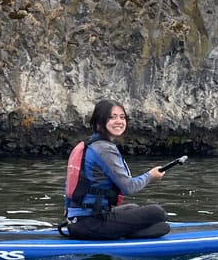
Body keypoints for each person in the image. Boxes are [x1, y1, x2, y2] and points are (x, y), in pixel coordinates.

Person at [62, 99, 171, 240]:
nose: (119, 121)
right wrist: (150, 175)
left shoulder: (87, 144)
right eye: (112, 117)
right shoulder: (104, 149)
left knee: (132, 207)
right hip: (91, 223)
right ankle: (124, 233)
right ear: (100, 121)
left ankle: (121, 230)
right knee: (158, 215)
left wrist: (69, 211)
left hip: (76, 220)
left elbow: (69, 185)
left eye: (122, 117)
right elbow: (128, 187)